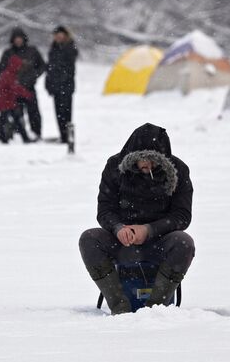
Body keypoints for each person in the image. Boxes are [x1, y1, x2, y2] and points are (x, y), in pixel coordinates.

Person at [79, 123, 195, 314]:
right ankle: (119, 305)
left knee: (184, 242)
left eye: (154, 161)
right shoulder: (114, 167)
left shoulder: (179, 170)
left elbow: (182, 216)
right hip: (122, 243)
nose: (147, 165)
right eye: (142, 160)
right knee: (89, 238)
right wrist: (118, 228)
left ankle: (155, 307)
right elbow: (105, 210)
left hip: (161, 243)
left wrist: (149, 230)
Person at [0, 27, 46, 139]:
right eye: (16, 39)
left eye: (20, 38)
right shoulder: (8, 53)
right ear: (12, 40)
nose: (18, 41)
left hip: (29, 88)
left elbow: (42, 66)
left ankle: (36, 133)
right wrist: (9, 80)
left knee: (34, 113)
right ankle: (19, 134)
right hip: (13, 90)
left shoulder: (32, 51)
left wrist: (34, 75)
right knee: (16, 113)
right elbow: (0, 69)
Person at [0, 56, 34, 144]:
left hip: (5, 102)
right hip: (7, 103)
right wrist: (27, 95)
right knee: (12, 120)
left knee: (6, 120)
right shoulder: (10, 75)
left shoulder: (6, 74)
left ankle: (6, 138)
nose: (20, 68)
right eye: (19, 66)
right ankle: (22, 138)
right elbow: (16, 88)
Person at [45, 25, 78, 143]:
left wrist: (61, 81)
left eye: (60, 35)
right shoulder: (53, 49)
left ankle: (68, 137)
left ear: (65, 36)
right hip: (55, 87)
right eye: (56, 36)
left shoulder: (70, 48)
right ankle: (63, 136)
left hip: (66, 87)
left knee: (66, 113)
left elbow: (69, 69)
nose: (58, 37)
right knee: (58, 113)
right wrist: (48, 84)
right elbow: (49, 68)